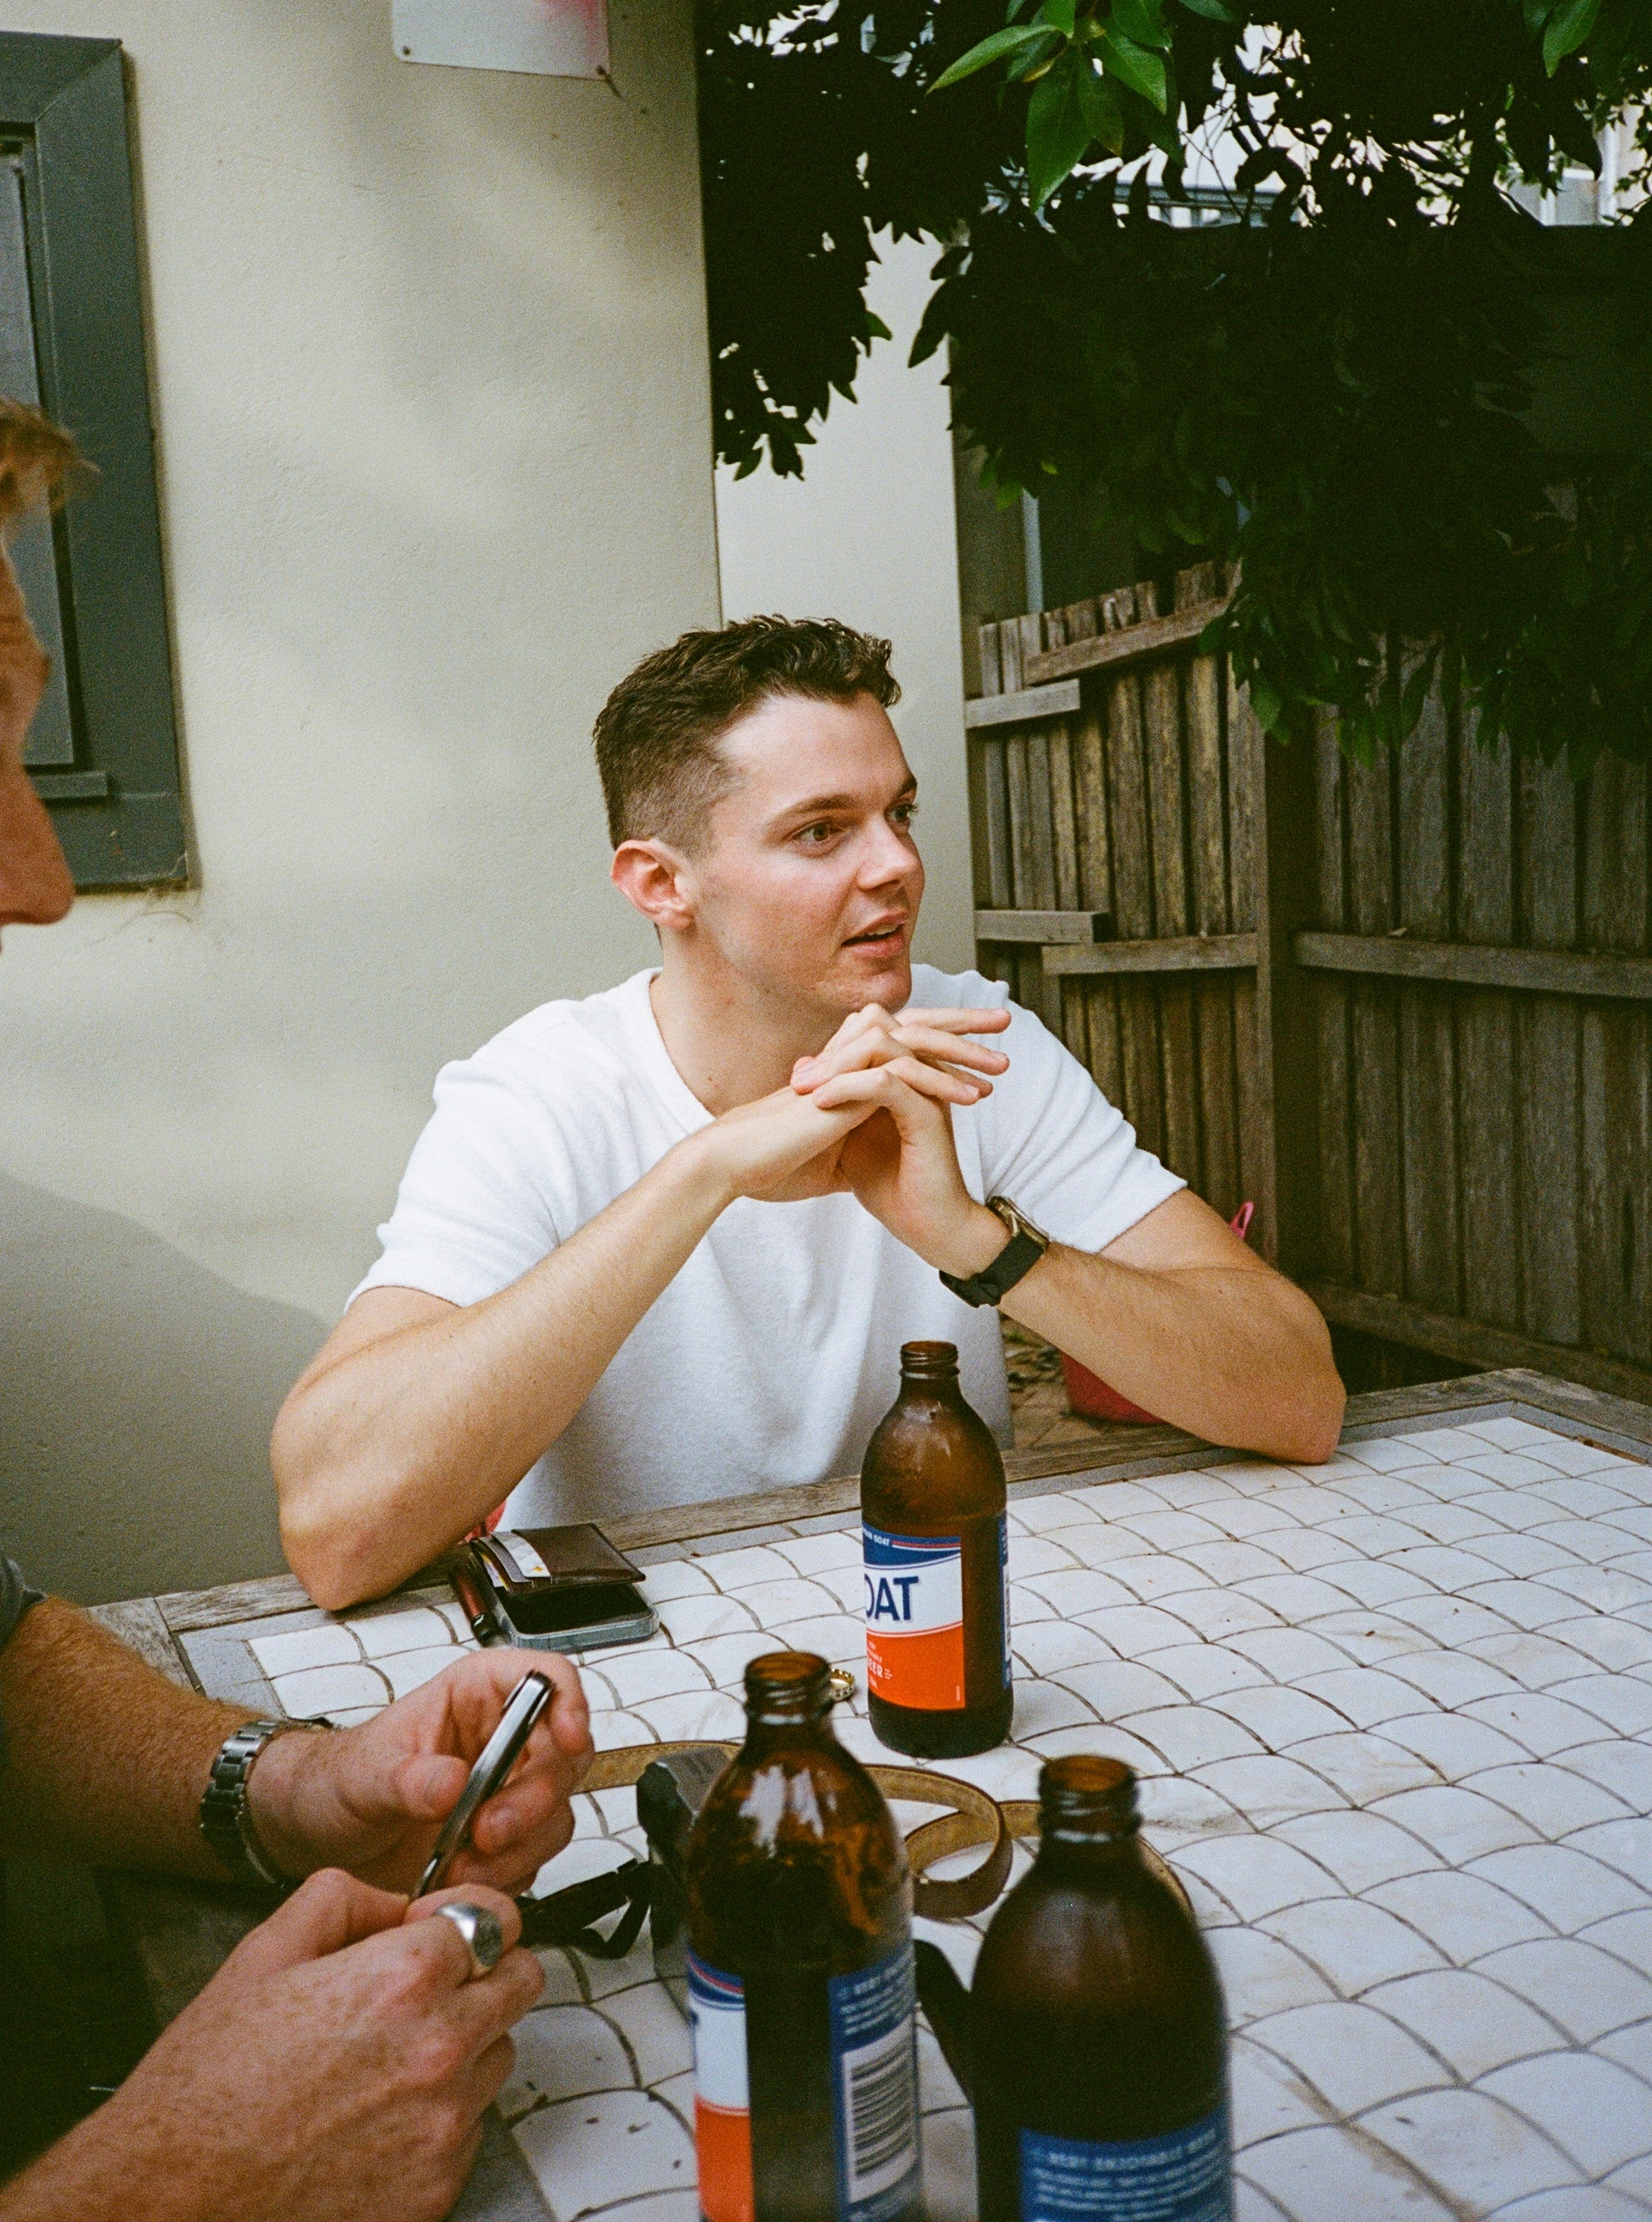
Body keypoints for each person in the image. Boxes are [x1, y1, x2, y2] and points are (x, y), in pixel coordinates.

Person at [0, 400, 593, 2222]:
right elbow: (339, 1505)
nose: (42, 880)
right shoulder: (542, 1083)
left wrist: (296, 1785)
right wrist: (169, 2186)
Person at [276, 619, 1345, 1611]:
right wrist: (701, 1174)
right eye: (822, 831)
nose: (899, 865)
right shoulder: (541, 1095)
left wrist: (973, 1240)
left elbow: (1301, 1398)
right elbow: (336, 1533)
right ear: (661, 884)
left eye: (899, 814)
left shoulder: (968, 1037)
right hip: (631, 1655)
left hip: (930, 1615)